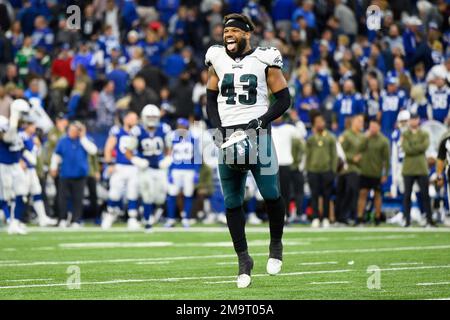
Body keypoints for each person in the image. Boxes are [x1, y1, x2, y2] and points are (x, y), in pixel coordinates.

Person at [205, 14, 290, 288]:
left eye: (233, 31)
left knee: (271, 193)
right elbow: (209, 99)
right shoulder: (216, 58)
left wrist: (261, 121)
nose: (228, 34)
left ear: (247, 34)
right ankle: (243, 259)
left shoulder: (265, 59)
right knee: (232, 201)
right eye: (225, 30)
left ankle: (275, 245)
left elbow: (284, 99)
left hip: (257, 134)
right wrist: (218, 130)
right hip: (228, 134)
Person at [128, 104, 171, 232]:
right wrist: (137, 160)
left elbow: (170, 147)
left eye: (154, 116)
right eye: (149, 116)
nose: (152, 119)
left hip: (160, 167)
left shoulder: (164, 129)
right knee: (147, 194)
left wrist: (168, 158)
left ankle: (152, 212)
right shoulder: (137, 131)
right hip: (145, 168)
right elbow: (128, 151)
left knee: (160, 197)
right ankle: (147, 222)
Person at [50, 121, 98, 228]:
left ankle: (76, 220)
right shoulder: (63, 141)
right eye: (72, 130)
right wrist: (53, 167)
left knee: (78, 199)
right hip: (65, 174)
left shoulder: (84, 141)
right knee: (63, 198)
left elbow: (93, 151)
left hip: (80, 174)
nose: (73, 132)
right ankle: (62, 218)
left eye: (76, 130)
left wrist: (82, 137)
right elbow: (56, 155)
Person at [101, 111, 141, 230]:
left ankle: (132, 218)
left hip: (135, 167)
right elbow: (108, 147)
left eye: (135, 118)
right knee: (114, 192)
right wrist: (109, 163)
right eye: (131, 118)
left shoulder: (139, 132)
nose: (134, 121)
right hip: (120, 166)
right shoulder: (116, 130)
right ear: (125, 119)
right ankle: (110, 215)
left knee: (133, 193)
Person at [0, 99, 30, 235]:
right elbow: (7, 139)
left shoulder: (20, 130)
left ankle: (15, 221)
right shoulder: (4, 123)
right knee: (6, 194)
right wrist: (13, 120)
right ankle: (8, 219)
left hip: (15, 164)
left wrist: (23, 160)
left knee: (22, 192)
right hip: (3, 164)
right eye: (22, 114)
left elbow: (19, 147)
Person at [165, 118, 200, 228]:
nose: (181, 128)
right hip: (176, 169)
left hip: (189, 170)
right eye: (179, 126)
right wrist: (169, 171)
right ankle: (171, 219)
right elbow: (168, 156)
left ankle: (185, 218)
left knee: (188, 194)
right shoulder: (172, 138)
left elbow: (197, 156)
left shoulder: (193, 139)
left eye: (183, 126)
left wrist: (196, 171)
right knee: (172, 194)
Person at [401, 113, 435, 227]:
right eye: (412, 119)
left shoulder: (424, 133)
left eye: (415, 119)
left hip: (421, 168)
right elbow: (406, 148)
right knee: (407, 195)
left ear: (418, 120)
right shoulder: (405, 133)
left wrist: (413, 146)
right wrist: (417, 147)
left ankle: (429, 220)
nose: (413, 121)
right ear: (409, 121)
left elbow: (424, 146)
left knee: (425, 195)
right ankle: (407, 220)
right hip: (408, 168)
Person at [306, 111, 337, 228]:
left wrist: (333, 170)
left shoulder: (330, 138)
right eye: (317, 122)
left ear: (324, 123)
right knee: (314, 195)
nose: (319, 124)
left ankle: (325, 218)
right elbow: (307, 155)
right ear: (314, 124)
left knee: (326, 195)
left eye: (321, 121)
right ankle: (315, 217)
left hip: (326, 170)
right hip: (313, 170)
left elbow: (334, 155)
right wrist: (307, 169)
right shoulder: (311, 138)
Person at [357, 119, 390, 226]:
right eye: (371, 127)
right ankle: (360, 217)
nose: (372, 129)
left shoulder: (383, 141)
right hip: (365, 171)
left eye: (374, 127)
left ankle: (377, 217)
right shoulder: (365, 138)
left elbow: (386, 159)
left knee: (377, 195)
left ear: (379, 127)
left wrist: (385, 174)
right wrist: (365, 138)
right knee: (362, 194)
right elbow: (359, 149)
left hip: (376, 172)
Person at [336, 114, 365, 225]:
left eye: (362, 121)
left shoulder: (362, 136)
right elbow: (340, 151)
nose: (361, 123)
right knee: (347, 192)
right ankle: (342, 216)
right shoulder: (346, 135)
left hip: (358, 169)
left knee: (353, 192)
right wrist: (352, 157)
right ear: (353, 122)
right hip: (346, 169)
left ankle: (350, 216)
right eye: (359, 121)